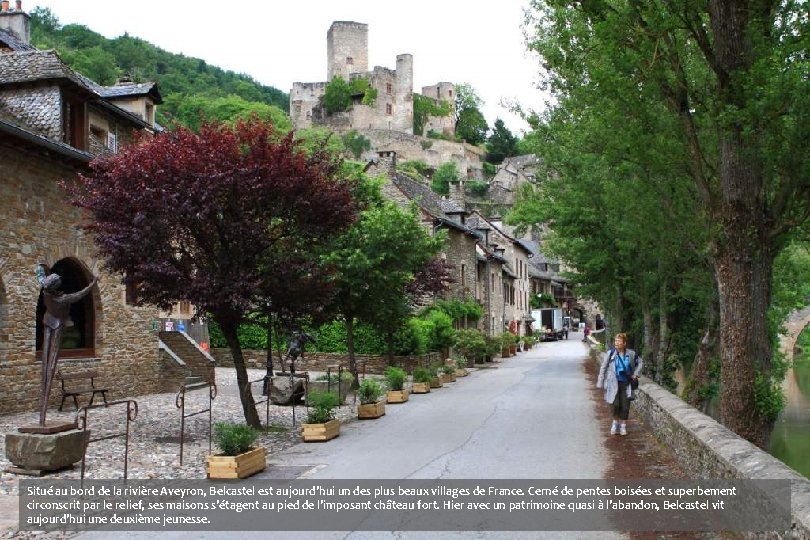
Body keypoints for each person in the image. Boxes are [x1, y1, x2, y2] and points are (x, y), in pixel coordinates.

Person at [37, 266, 98, 425]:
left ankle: (42, 416)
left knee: (46, 363)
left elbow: (42, 276)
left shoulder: (45, 291)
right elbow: (79, 295)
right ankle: (42, 416)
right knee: (49, 366)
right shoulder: (61, 299)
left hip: (47, 320)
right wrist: (91, 285)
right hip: (56, 325)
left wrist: (44, 267)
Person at [596, 333, 642, 436]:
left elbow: (640, 362)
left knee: (625, 406)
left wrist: (636, 374)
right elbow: (603, 367)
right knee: (614, 404)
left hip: (626, 383)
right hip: (613, 383)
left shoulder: (631, 354)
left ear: (624, 343)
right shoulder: (611, 353)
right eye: (616, 341)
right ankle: (615, 423)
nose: (616, 343)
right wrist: (600, 381)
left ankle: (623, 427)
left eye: (619, 341)